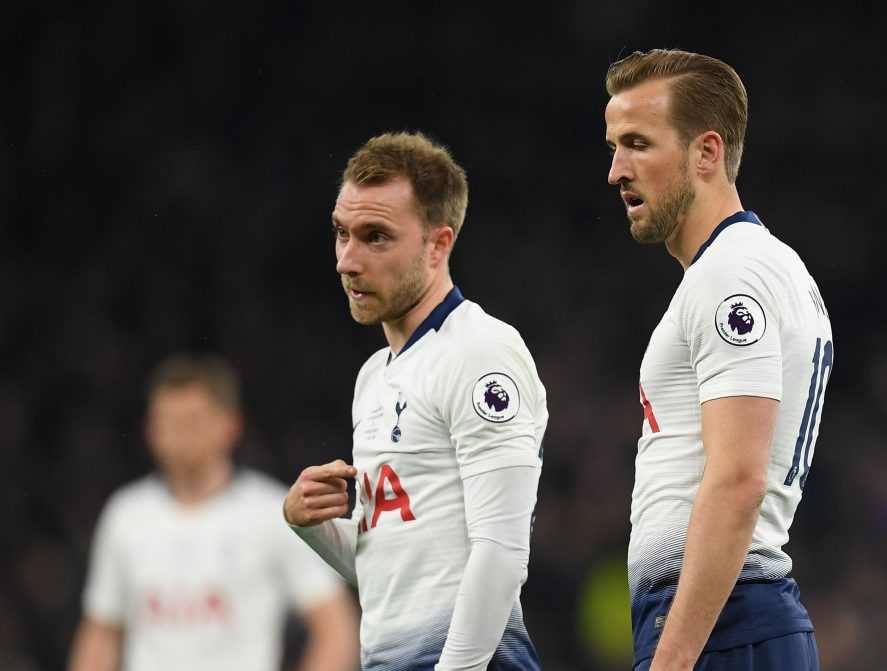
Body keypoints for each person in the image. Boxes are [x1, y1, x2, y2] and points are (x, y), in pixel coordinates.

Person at [282, 131, 548, 670]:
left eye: (375, 236)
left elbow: (501, 552)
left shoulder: (479, 351)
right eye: (342, 234)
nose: (346, 261)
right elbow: (396, 574)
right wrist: (309, 527)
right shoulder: (373, 378)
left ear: (438, 244)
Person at [604, 49, 833, 671]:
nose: (616, 171)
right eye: (613, 147)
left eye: (637, 144)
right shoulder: (758, 266)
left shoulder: (732, 275)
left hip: (722, 624)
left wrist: (673, 659)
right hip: (729, 621)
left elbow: (737, 479)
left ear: (706, 153)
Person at [68, 353, 360, 671]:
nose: (179, 437)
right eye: (168, 423)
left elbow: (336, 630)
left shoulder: (273, 513)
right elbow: (101, 633)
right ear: (150, 429)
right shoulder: (126, 515)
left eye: (192, 422)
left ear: (230, 425)